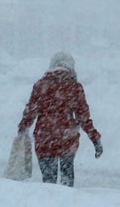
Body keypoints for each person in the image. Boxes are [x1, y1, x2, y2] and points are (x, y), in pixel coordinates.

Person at [17, 52, 102, 187]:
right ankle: (66, 204)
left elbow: (30, 112)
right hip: (66, 139)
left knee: (48, 183)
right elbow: (83, 117)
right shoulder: (74, 87)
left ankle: (49, 205)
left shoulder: (40, 85)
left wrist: (22, 129)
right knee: (66, 181)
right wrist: (95, 138)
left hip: (44, 138)